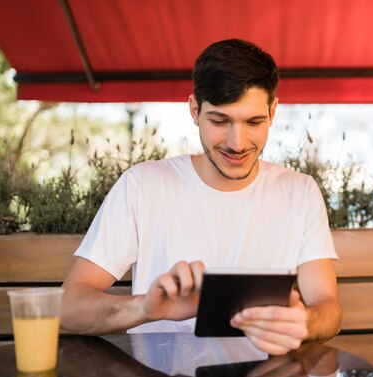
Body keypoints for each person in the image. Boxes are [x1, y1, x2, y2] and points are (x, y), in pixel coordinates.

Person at [61, 38, 342, 355]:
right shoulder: (143, 185)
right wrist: (145, 309)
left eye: (254, 122)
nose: (237, 143)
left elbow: (328, 309)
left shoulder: (299, 192)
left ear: (273, 111)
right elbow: (68, 307)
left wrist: (305, 322)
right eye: (220, 121)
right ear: (195, 110)